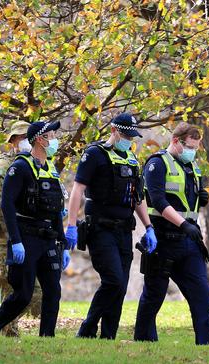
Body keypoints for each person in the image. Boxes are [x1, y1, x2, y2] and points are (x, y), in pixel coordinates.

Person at [65, 113, 157, 340]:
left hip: (124, 230)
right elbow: (77, 190)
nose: (129, 139)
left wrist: (149, 226)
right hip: (100, 229)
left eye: (132, 136)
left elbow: (137, 197)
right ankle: (87, 328)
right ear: (114, 131)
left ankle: (108, 336)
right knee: (113, 280)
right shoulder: (95, 154)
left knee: (121, 286)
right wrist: (71, 225)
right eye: (125, 134)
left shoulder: (131, 159)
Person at [0, 121, 70, 337]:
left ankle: (47, 336)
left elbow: (55, 210)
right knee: (23, 294)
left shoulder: (50, 169)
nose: (54, 140)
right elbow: (6, 204)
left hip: (48, 238)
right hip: (26, 238)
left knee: (53, 291)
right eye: (51, 135)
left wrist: (63, 244)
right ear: (39, 139)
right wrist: (16, 241)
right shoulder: (20, 167)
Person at [134, 122, 209, 345]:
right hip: (163, 240)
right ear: (175, 141)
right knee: (154, 296)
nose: (193, 151)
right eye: (190, 146)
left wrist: (202, 197)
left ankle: (208, 343)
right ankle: (144, 340)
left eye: (196, 147)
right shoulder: (157, 164)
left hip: (190, 242)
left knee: (201, 295)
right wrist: (183, 224)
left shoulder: (192, 166)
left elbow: (187, 200)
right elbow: (158, 201)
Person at [0, 121, 42, 337]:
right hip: (4, 237)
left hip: (27, 236)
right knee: (12, 287)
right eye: (21, 137)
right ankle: (7, 332)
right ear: (13, 141)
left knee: (34, 292)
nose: (26, 141)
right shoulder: (3, 167)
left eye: (28, 136)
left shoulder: (35, 164)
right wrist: (17, 213)